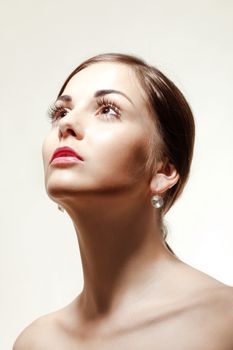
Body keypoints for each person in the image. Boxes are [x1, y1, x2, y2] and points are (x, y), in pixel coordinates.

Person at [13, 53, 233, 349]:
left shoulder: (223, 324)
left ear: (163, 170)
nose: (68, 124)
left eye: (108, 109)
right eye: (61, 112)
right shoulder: (36, 342)